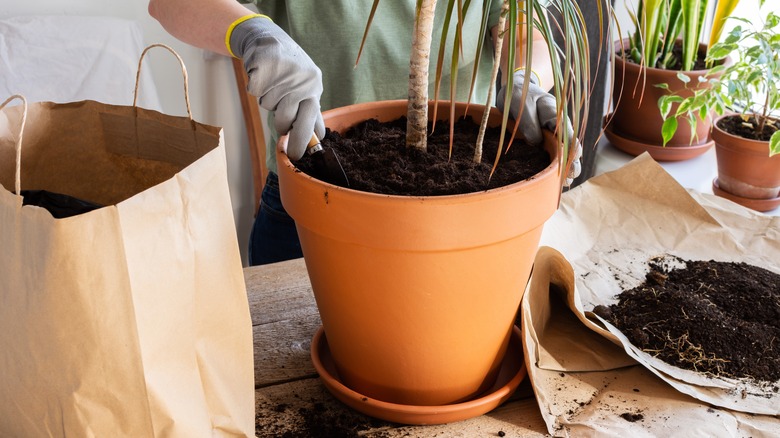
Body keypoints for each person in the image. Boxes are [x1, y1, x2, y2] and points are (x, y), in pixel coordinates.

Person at [148, 0, 580, 266]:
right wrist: (251, 32)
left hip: (470, 209)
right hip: (313, 198)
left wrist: (527, 74)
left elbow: (523, 22)